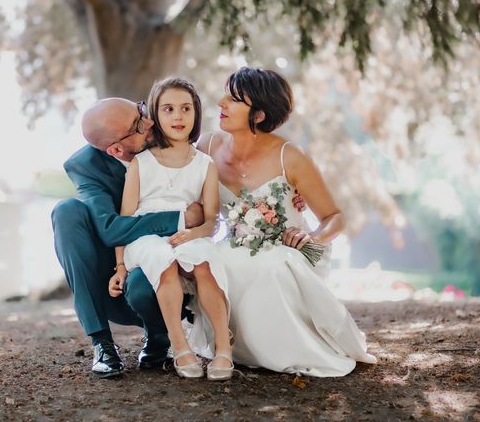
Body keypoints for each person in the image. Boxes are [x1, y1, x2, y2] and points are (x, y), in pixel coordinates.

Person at [196, 66, 377, 376]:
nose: (221, 104)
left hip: (289, 250)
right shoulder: (207, 147)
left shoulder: (290, 156)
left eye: (233, 99)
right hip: (235, 244)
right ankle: (230, 347)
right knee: (215, 259)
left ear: (260, 115)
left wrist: (313, 240)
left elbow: (334, 217)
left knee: (274, 263)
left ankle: (281, 350)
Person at [51, 97, 204, 378]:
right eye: (138, 124)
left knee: (148, 279)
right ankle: (103, 345)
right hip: (113, 287)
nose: (149, 122)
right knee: (66, 211)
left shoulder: (169, 136)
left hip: (164, 273)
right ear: (116, 149)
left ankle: (160, 338)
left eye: (141, 110)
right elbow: (109, 228)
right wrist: (180, 217)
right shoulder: (85, 166)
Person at [109, 77, 233, 380]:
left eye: (185, 109)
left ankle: (223, 350)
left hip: (188, 234)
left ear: (196, 113)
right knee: (161, 261)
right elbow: (125, 221)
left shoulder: (205, 164)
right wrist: (120, 266)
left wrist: (194, 234)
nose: (178, 117)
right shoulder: (141, 162)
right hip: (145, 236)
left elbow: (210, 221)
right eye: (168, 109)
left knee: (204, 262)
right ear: (156, 115)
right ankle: (180, 348)